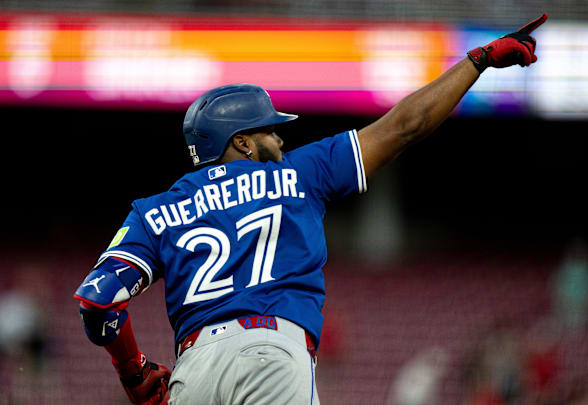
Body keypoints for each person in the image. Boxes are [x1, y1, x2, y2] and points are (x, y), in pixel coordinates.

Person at [73, 14, 548, 405]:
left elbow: (98, 300)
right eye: (269, 131)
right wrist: (477, 61)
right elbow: (406, 126)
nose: (281, 139)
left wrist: (133, 372)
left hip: (195, 373)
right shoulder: (298, 173)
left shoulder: (154, 212)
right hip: (273, 356)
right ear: (240, 142)